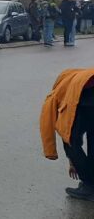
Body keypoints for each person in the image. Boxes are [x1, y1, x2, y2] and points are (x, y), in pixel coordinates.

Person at [40, 68, 94, 201]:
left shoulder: (58, 93)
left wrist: (70, 161)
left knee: (70, 142)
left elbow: (53, 127)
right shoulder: (81, 75)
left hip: (87, 102)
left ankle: (89, 186)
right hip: (88, 100)